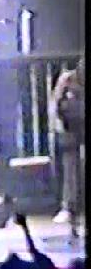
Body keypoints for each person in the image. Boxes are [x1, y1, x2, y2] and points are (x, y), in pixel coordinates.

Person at [50, 57, 85, 231]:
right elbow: (55, 104)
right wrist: (58, 127)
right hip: (70, 128)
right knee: (70, 168)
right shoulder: (67, 79)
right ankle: (68, 207)